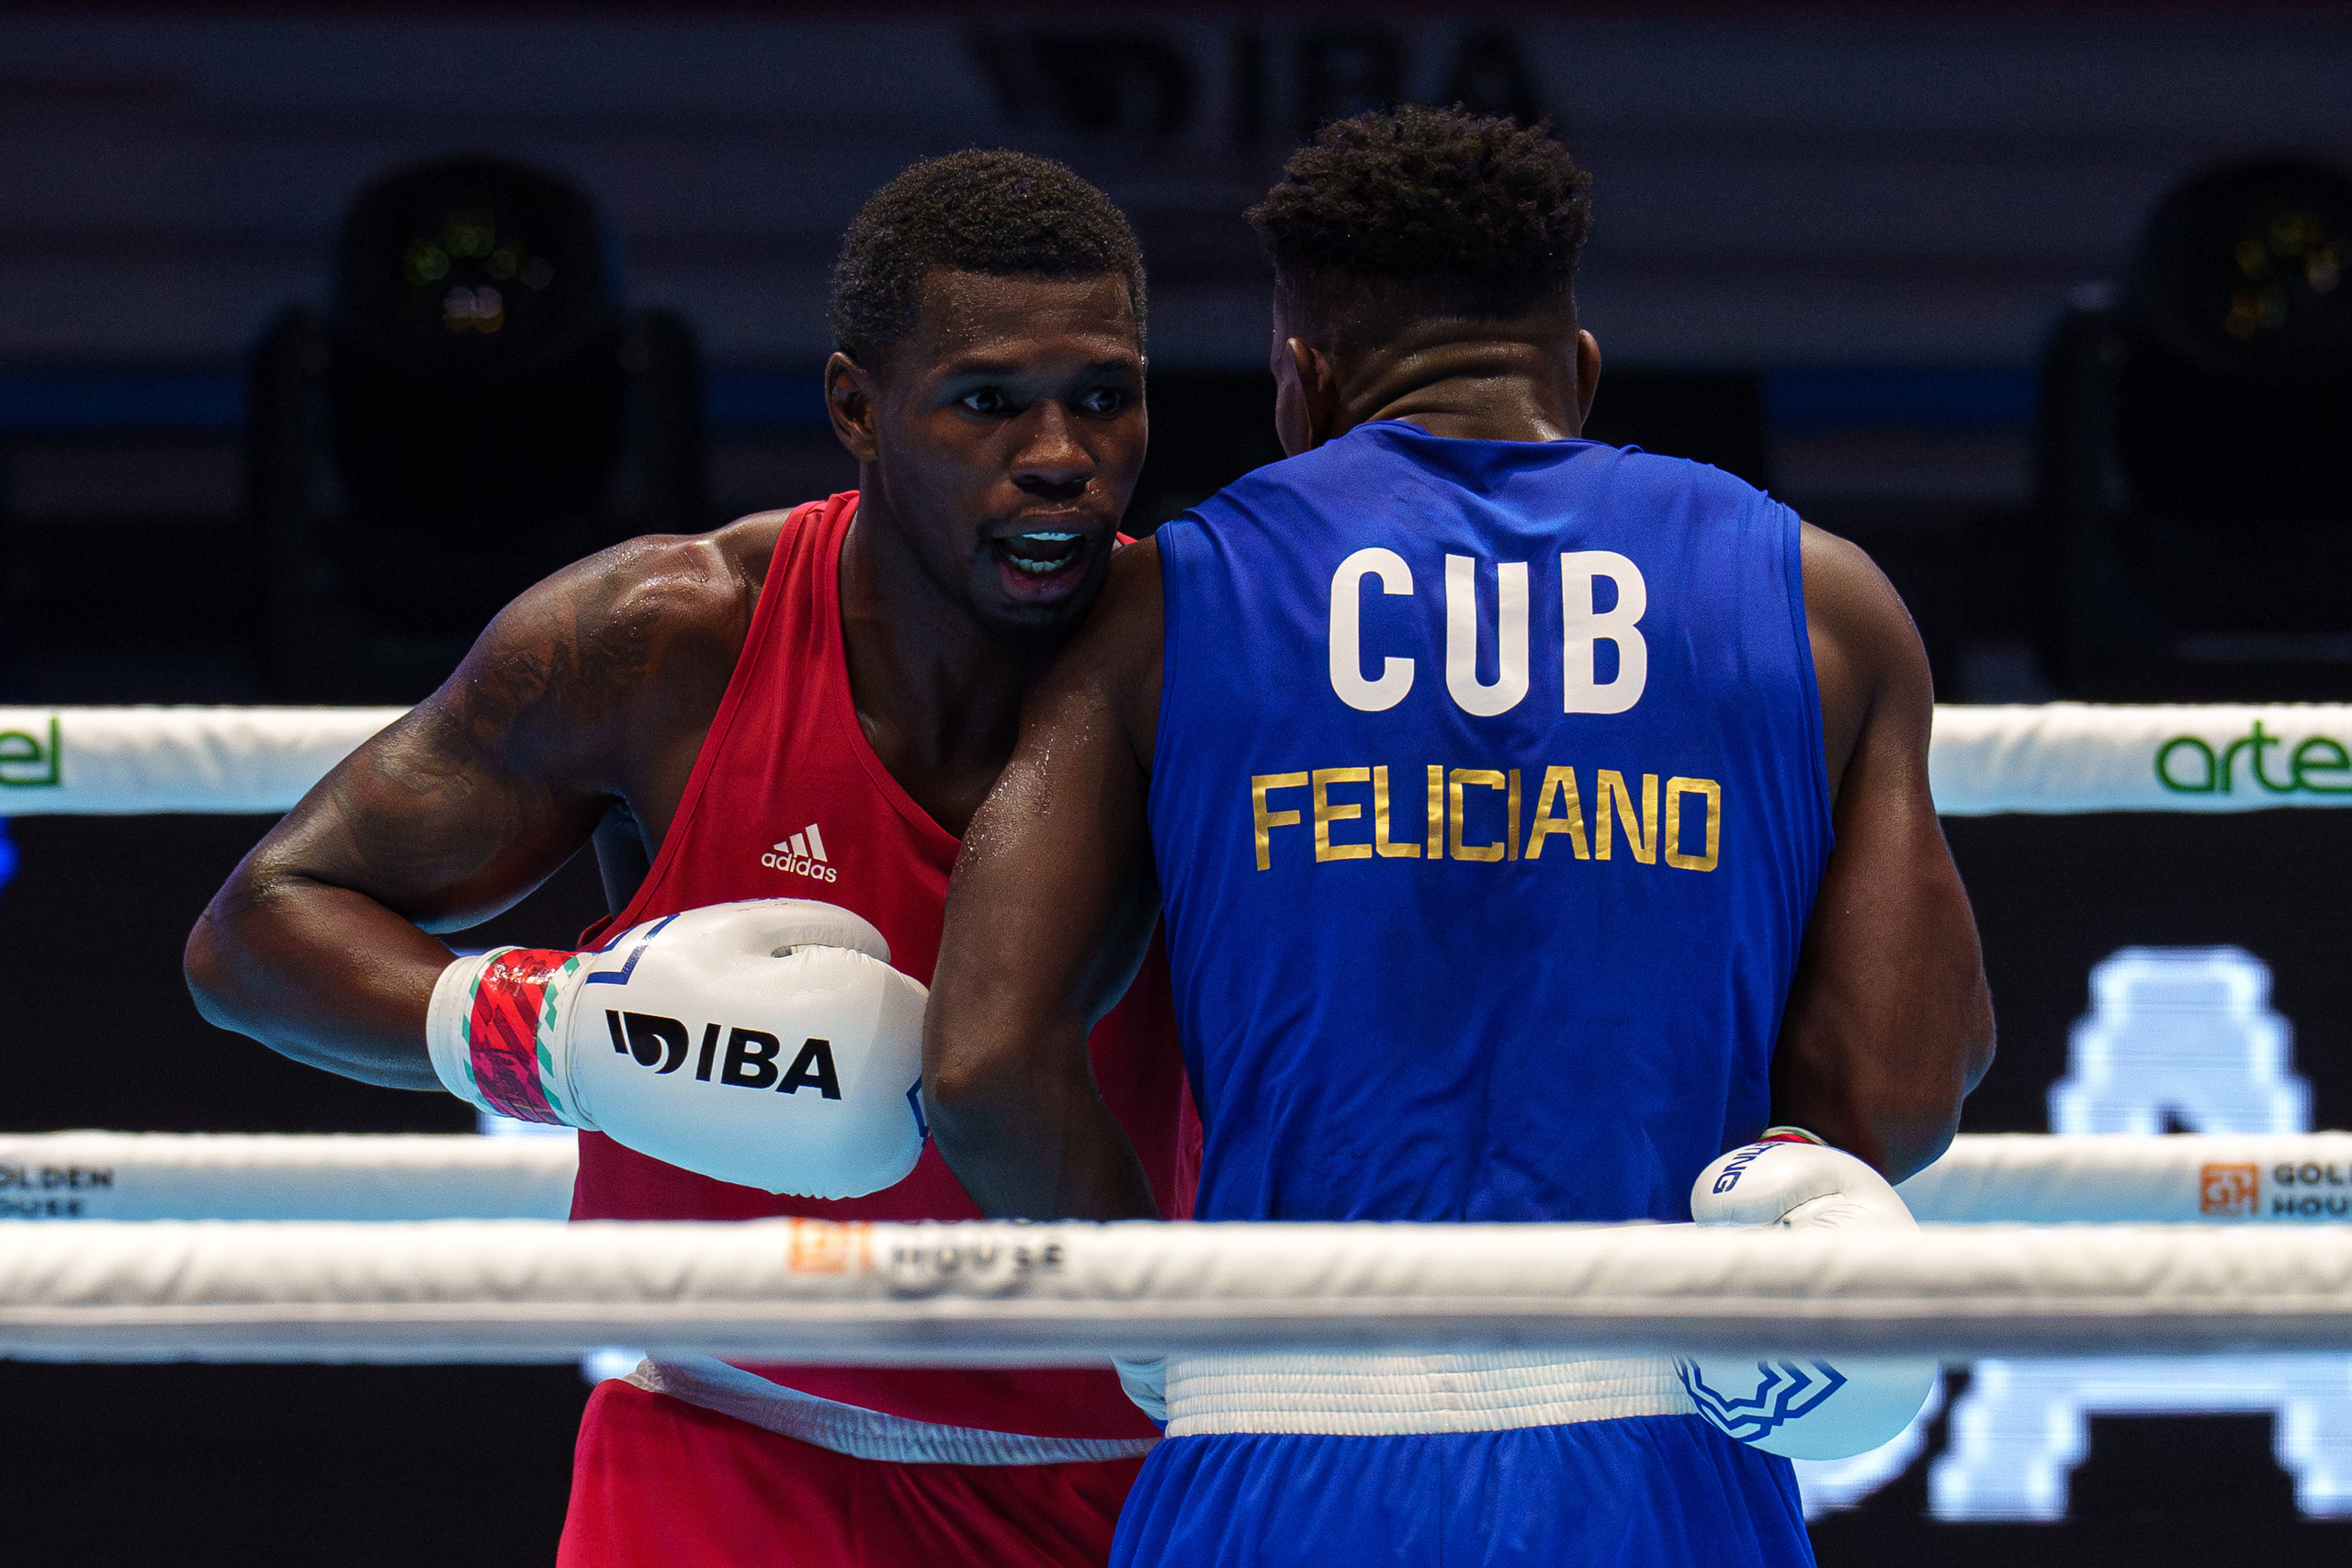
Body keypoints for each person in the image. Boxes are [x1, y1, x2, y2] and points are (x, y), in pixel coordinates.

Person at [922, 107, 1996, 1566]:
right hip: (1660, 1455)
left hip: (1279, 1439)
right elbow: (1912, 1077)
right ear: (1585, 371)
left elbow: (983, 1065)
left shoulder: (1164, 608)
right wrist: (1767, 1202)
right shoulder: (1822, 603)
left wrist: (1158, 1317)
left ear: (1300, 387)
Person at [187, 151, 1197, 1567]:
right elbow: (255, 932)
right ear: (856, 405)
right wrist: (556, 1037)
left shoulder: (1214, 657)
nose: (1059, 454)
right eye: (988, 402)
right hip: (728, 1458)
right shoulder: (666, 642)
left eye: (1104, 398)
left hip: (1128, 1470)